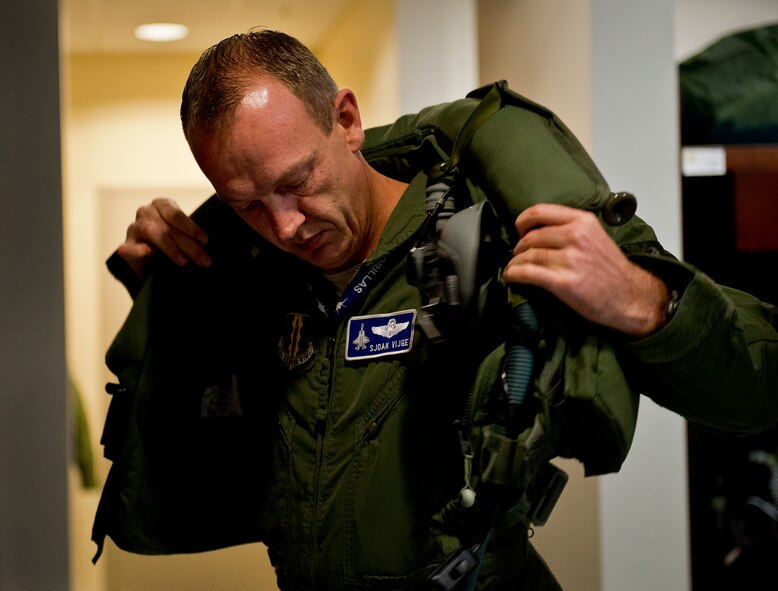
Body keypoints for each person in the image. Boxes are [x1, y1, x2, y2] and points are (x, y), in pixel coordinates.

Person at [94, 29, 778, 590]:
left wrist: (648, 301)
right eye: (246, 203)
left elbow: (759, 387)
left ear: (347, 120)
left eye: (297, 181)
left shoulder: (497, 231)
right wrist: (164, 291)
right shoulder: (256, 276)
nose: (286, 225)